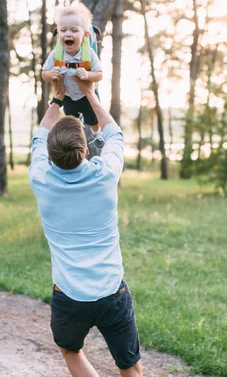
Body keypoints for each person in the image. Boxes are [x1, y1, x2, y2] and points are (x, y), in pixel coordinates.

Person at [28, 75, 142, 377]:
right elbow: (115, 135)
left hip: (69, 296)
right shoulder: (105, 176)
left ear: (50, 157)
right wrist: (90, 94)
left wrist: (57, 99)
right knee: (130, 366)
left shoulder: (40, 179)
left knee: (70, 350)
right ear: (86, 151)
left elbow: (38, 137)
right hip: (111, 293)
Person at [42, 2, 105, 156]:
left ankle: (97, 135)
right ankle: (78, 141)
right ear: (58, 34)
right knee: (72, 120)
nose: (67, 34)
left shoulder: (89, 54)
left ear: (85, 35)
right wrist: (51, 74)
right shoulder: (55, 55)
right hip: (68, 95)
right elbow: (44, 73)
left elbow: (100, 74)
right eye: (63, 30)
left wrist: (88, 75)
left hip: (86, 96)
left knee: (93, 120)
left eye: (74, 30)